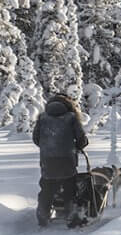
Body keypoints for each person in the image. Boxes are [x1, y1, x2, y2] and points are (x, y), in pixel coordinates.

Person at [33, 93, 88, 227]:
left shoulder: (42, 118)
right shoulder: (71, 118)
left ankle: (43, 212)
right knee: (70, 187)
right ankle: (71, 214)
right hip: (67, 159)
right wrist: (78, 146)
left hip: (47, 160)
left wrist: (47, 148)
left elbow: (36, 138)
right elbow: (81, 138)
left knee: (47, 187)